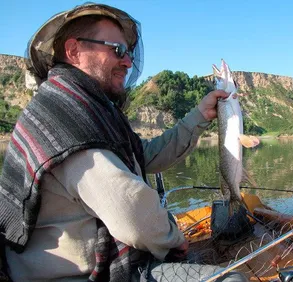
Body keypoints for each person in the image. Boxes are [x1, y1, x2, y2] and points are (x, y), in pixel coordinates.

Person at [0, 3, 248, 282]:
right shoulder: (67, 121)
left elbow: (144, 155)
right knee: (231, 279)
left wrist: (199, 116)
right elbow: (133, 216)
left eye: (128, 53)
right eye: (117, 50)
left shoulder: (84, 108)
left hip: (100, 259)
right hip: (81, 275)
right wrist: (174, 238)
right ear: (73, 51)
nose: (128, 62)